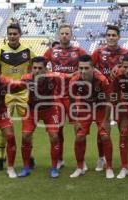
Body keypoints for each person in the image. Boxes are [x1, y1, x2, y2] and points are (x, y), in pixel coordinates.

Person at [0, 23, 36, 170]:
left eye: (15, 34)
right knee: (4, 127)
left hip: (24, 94)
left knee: (27, 127)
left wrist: (30, 81)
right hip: (6, 94)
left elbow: (35, 69)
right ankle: (0, 157)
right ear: (7, 35)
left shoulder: (28, 51)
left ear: (20, 35)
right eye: (10, 34)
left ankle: (30, 155)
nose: (12, 36)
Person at [17, 57, 71, 178]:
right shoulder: (25, 79)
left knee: (54, 136)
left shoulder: (53, 76)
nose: (37, 70)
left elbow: (71, 75)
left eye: (40, 68)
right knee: (25, 136)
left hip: (50, 110)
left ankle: (54, 168)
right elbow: (14, 87)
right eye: (34, 68)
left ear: (45, 69)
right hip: (31, 111)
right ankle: (26, 167)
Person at [44, 24, 87, 170]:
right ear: (58, 35)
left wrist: (78, 75)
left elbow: (88, 66)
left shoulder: (79, 51)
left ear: (71, 35)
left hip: (74, 96)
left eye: (67, 33)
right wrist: (53, 75)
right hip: (56, 96)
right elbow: (40, 68)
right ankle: (59, 159)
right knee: (57, 129)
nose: (64, 36)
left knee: (78, 128)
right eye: (62, 33)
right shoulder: (51, 51)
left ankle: (81, 161)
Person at [91, 25, 128, 171]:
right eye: (108, 35)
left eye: (114, 35)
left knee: (123, 130)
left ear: (119, 37)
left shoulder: (126, 53)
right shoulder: (98, 52)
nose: (111, 37)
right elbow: (90, 67)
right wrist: (101, 76)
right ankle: (101, 158)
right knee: (102, 129)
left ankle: (124, 163)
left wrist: (120, 69)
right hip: (102, 97)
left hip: (120, 97)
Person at [69, 55, 114, 179]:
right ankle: (80, 167)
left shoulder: (102, 79)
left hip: (101, 109)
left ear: (92, 68)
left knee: (105, 136)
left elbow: (109, 100)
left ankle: (109, 167)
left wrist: (106, 120)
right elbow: (72, 101)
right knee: (79, 137)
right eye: (80, 68)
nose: (83, 71)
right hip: (85, 109)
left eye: (86, 68)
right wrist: (75, 120)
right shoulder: (74, 80)